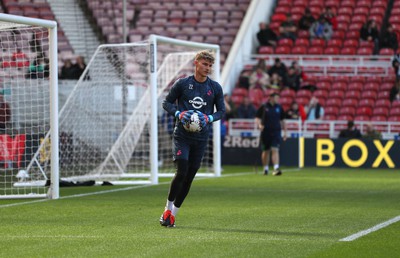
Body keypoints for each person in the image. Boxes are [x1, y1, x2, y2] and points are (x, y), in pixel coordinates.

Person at [160, 50, 225, 227]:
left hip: (201, 138)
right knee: (181, 171)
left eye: (210, 65)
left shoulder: (215, 88)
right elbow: (166, 103)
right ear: (196, 63)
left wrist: (209, 118)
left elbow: (221, 111)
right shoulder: (182, 84)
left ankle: (173, 215)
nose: (208, 68)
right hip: (182, 135)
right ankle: (167, 209)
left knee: (189, 177)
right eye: (205, 64)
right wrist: (179, 114)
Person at [255, 93, 287, 176]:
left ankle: (276, 168)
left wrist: (285, 132)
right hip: (266, 132)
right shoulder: (264, 107)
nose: (278, 100)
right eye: (276, 98)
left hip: (276, 131)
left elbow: (283, 120)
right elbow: (257, 118)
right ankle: (265, 168)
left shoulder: (279, 107)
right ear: (271, 98)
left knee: (275, 149)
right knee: (266, 151)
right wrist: (259, 125)